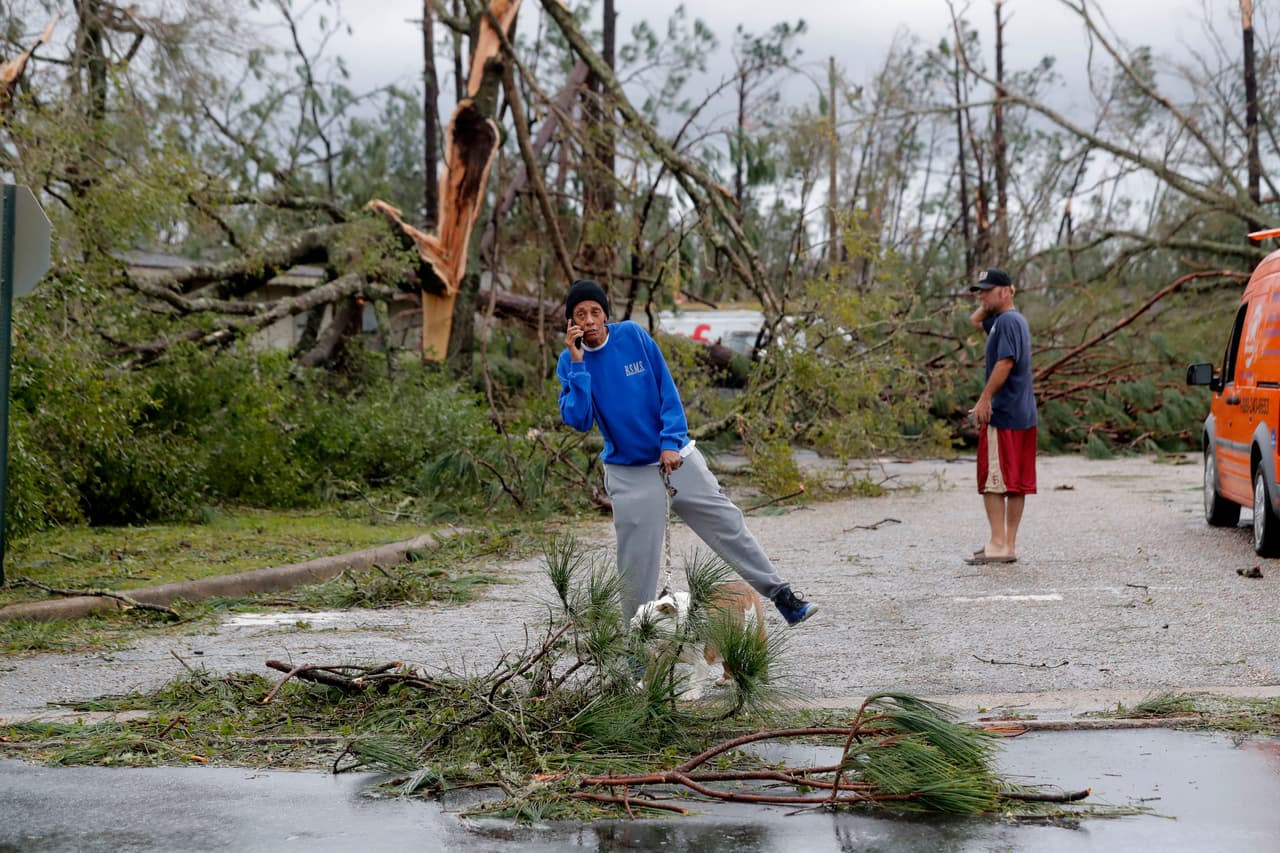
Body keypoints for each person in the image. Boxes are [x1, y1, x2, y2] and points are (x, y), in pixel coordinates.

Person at [556, 279, 817, 625]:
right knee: (636, 564)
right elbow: (579, 419)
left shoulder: (632, 336)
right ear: (571, 322)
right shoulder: (569, 362)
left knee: (728, 524)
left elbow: (666, 390)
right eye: (580, 314)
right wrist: (578, 365)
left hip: (677, 458)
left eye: (595, 311)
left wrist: (670, 442)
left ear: (605, 315)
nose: (589, 320)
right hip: (629, 473)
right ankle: (637, 641)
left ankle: (783, 597)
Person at [965, 267, 1037, 565]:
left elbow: (1005, 363)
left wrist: (985, 398)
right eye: (979, 291)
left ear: (1006, 291)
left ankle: (998, 543)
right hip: (1022, 414)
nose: (981, 296)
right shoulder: (1009, 320)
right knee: (1015, 482)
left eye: (987, 290)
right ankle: (1007, 544)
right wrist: (990, 300)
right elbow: (975, 320)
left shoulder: (1006, 322)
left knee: (993, 481)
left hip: (1004, 414)